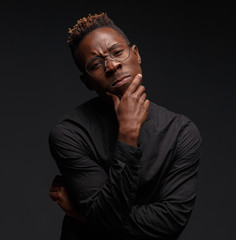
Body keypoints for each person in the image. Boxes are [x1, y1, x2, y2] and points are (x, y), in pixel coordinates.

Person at [48, 12, 202, 240]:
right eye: (95, 64)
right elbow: (107, 218)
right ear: (87, 82)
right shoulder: (70, 134)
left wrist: (83, 215)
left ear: (136, 54)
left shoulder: (181, 132)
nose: (111, 65)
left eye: (117, 52)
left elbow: (170, 224)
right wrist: (128, 133)